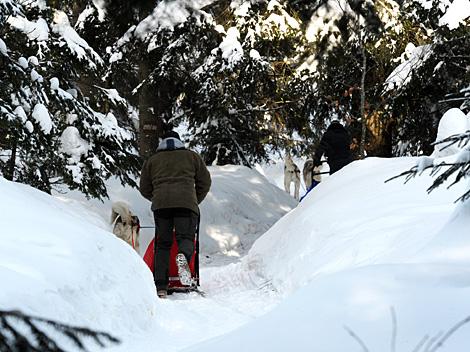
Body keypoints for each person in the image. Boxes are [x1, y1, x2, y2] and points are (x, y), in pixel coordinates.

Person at [139, 130, 211, 299]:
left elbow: (144, 188)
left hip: (161, 206)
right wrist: (194, 200)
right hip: (186, 204)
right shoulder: (192, 157)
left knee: (162, 245)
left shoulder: (152, 160)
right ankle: (183, 257)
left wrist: (157, 198)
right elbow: (205, 182)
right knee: (185, 238)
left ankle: (161, 287)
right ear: (179, 142)